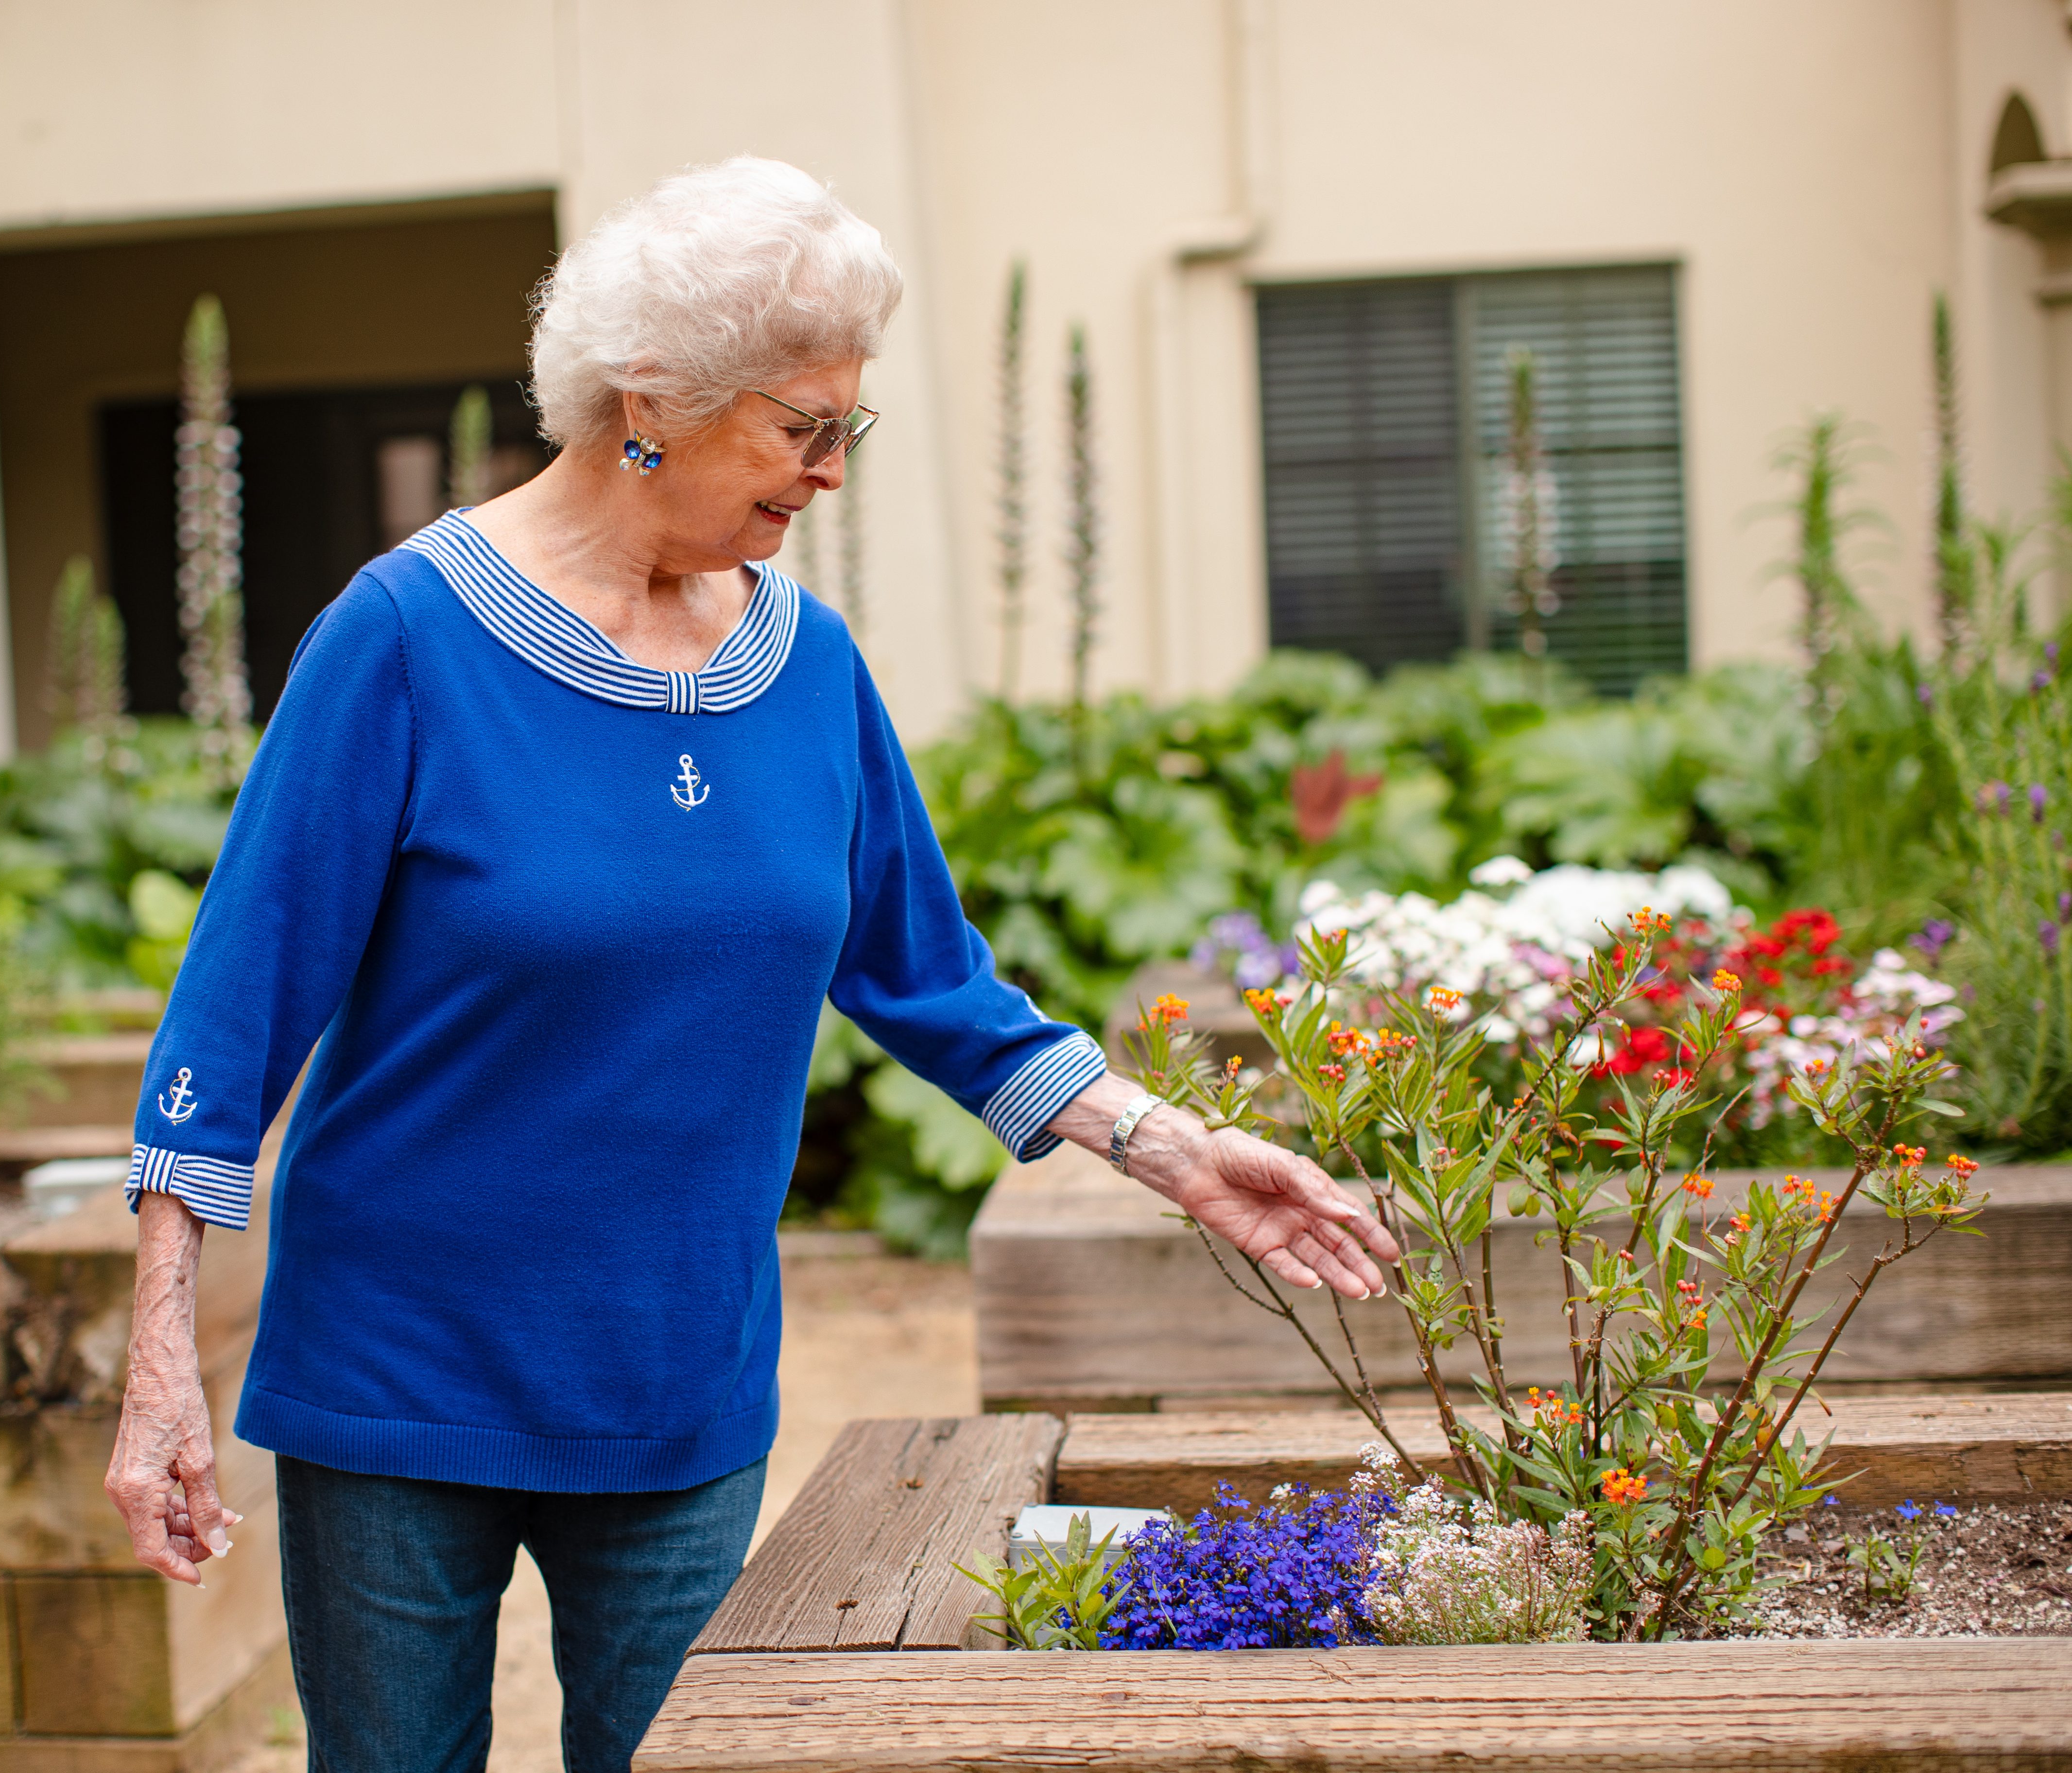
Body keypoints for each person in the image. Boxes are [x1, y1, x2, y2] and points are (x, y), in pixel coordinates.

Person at [104, 156, 1397, 1773]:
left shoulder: (811, 669)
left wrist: (1178, 1150)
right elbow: (237, 1010)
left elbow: (936, 987)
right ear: (651, 402)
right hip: (400, 1376)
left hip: (679, 1383)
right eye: (803, 427)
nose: (832, 472)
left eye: (848, 426)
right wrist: (159, 1358)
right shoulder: (406, 637)